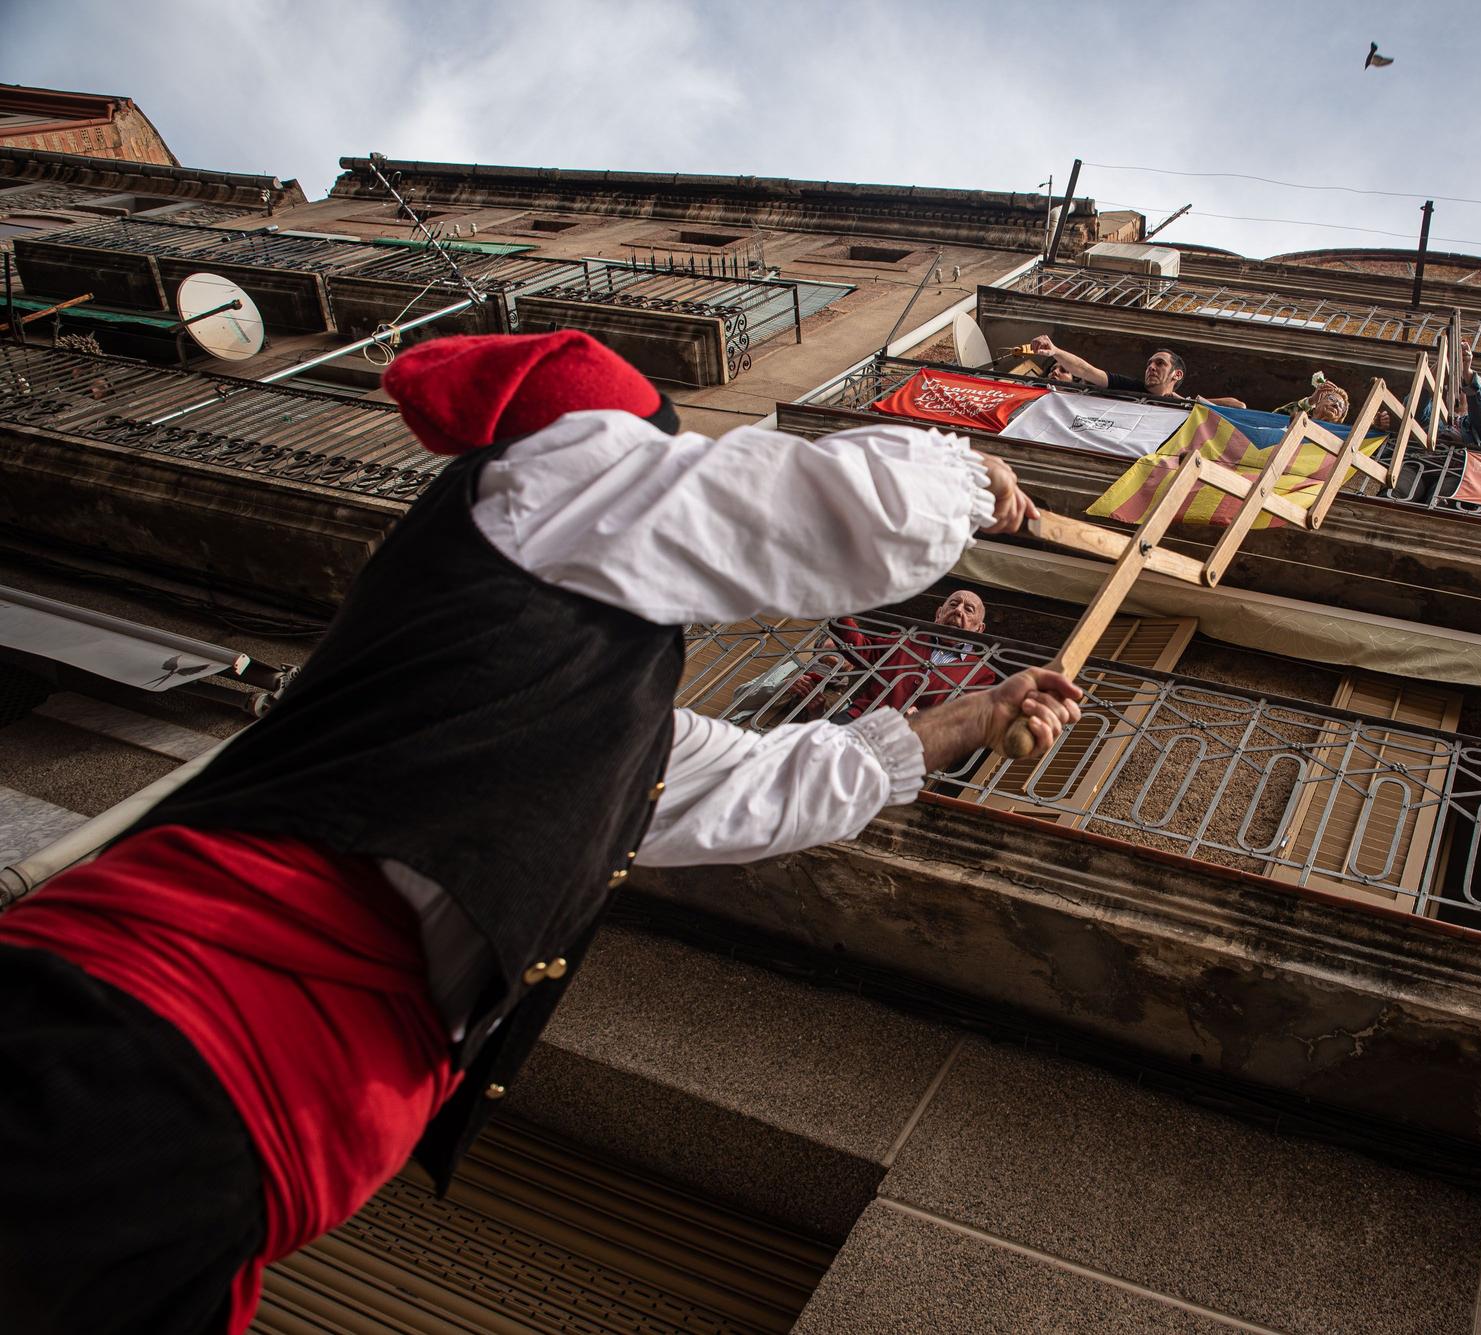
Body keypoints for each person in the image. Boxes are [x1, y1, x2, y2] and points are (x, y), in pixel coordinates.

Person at [0, 330, 1083, 1334]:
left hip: (234, 1166)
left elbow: (754, 781)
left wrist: (967, 721)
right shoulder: (541, 487)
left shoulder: (580, 694)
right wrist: (958, 467)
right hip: (143, 1054)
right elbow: (823, 513)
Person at [771, 588, 1002, 722]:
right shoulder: (905, 639)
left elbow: (962, 718)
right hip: (859, 719)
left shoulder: (982, 674)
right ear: (939, 613)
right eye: (953, 604)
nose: (958, 610)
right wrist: (838, 608)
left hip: (906, 743)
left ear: (979, 629)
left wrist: (924, 720)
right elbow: (860, 648)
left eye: (968, 609)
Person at [1025, 334, 1248, 408]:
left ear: (1176, 374)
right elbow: (1086, 371)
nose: (1151, 367)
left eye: (1160, 364)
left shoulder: (1186, 405)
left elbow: (1238, 405)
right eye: (1149, 363)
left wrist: (1193, 403)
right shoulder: (1129, 386)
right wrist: (1055, 351)